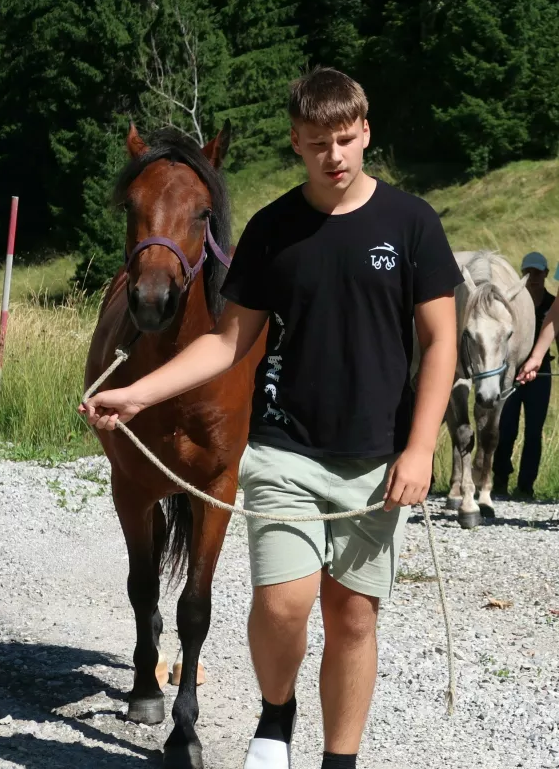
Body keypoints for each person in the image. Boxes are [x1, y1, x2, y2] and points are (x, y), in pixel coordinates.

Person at [80, 67, 462, 769]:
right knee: (284, 606)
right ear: (296, 142)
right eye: (318, 142)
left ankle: (338, 759)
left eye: (346, 139)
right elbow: (226, 341)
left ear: (366, 131)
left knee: (352, 616)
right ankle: (276, 713)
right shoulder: (272, 230)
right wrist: (135, 394)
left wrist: (420, 447)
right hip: (285, 448)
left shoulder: (413, 224)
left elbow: (441, 342)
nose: (335, 155)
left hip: (377, 457)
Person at [494, 253, 559, 497]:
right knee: (506, 427)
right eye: (529, 272)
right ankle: (500, 479)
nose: (533, 278)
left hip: (541, 375)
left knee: (534, 431)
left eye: (538, 272)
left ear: (545, 273)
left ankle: (525, 486)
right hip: (512, 370)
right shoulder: (511, 307)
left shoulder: (552, 303)